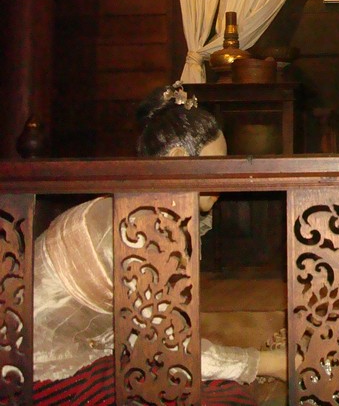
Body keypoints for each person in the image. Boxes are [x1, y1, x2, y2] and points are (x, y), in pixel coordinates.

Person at [32, 82, 286, 405]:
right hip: (42, 369)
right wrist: (269, 363)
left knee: (218, 387)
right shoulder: (142, 228)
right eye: (216, 167)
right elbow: (172, 348)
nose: (224, 179)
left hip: (89, 349)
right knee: (225, 397)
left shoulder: (143, 210)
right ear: (178, 160)